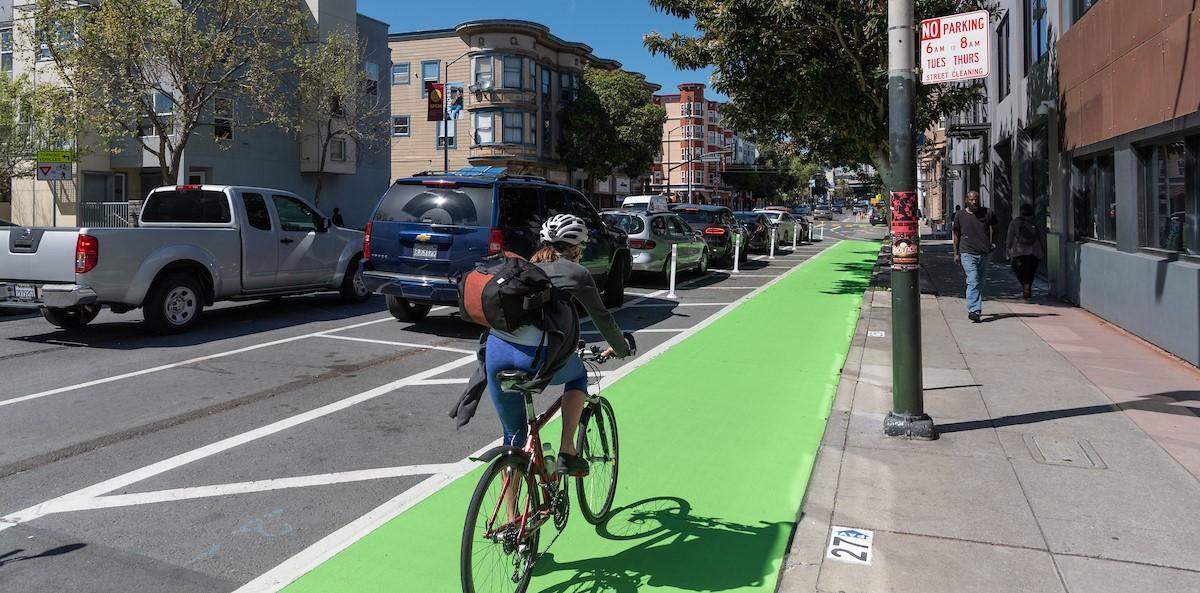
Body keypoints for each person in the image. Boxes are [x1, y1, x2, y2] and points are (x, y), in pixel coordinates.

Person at [454, 214, 631, 476]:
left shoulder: (524, 267)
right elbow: (602, 318)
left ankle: (511, 515)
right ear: (577, 247)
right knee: (578, 375)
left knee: (513, 438)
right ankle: (567, 452)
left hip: (494, 353)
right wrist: (622, 347)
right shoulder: (577, 272)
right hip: (534, 358)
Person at [952, 191, 998, 322]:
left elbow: (996, 228)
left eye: (976, 199)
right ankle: (974, 310)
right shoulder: (960, 215)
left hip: (984, 253)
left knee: (980, 282)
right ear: (966, 200)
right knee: (973, 280)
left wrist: (992, 244)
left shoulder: (987, 213)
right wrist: (955, 253)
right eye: (971, 199)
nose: (974, 202)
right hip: (967, 253)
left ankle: (975, 307)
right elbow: (956, 235)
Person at [1007, 203, 1045, 300]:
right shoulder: (1036, 222)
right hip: (1034, 251)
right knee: (1031, 272)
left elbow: (1010, 236)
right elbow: (1042, 237)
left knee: (1018, 269)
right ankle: (1028, 286)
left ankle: (1025, 285)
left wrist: (1008, 248)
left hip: (1018, 252)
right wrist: (1044, 250)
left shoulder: (1015, 222)